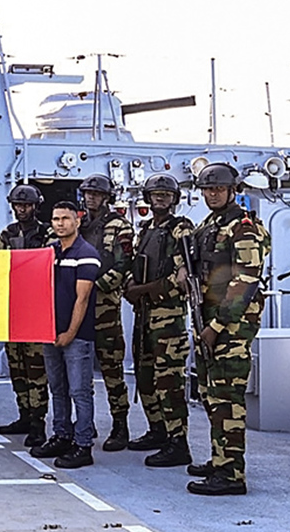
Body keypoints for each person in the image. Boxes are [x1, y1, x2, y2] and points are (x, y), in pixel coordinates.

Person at [185, 163, 269, 496]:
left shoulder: (243, 227)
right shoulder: (209, 224)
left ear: (232, 190)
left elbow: (245, 281)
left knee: (227, 398)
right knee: (209, 393)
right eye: (207, 189)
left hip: (231, 325)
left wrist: (215, 326)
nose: (212, 194)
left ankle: (232, 475)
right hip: (208, 320)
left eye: (218, 189)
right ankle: (222, 458)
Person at [122, 174, 194, 467]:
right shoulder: (145, 229)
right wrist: (130, 286)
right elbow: (134, 265)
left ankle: (178, 443)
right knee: (145, 376)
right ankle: (158, 431)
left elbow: (183, 277)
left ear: (174, 199)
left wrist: (142, 290)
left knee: (169, 381)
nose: (160, 199)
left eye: (166, 194)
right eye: (155, 194)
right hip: (144, 316)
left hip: (169, 319)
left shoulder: (181, 229)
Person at [29, 201, 99, 469]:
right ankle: (61, 434)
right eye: (56, 219)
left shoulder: (86, 253)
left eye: (65, 219)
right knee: (58, 389)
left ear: (77, 221)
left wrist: (70, 333)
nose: (60, 223)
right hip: (50, 333)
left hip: (77, 336)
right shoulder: (50, 253)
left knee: (80, 391)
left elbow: (82, 299)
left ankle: (83, 445)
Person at [77, 173, 134, 451]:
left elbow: (124, 265)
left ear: (106, 197)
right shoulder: (77, 224)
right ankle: (85, 423)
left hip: (105, 308)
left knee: (112, 371)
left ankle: (120, 425)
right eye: (88, 193)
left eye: (97, 194)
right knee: (79, 371)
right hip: (77, 308)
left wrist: (95, 286)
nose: (91, 197)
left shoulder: (120, 226)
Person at [0, 183, 50, 447]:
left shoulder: (47, 233)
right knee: (16, 366)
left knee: (36, 370)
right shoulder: (8, 234)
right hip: (12, 309)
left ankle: (39, 424)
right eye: (18, 205)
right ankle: (24, 416)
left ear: (35, 206)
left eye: (26, 205)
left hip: (37, 310)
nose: (22, 209)